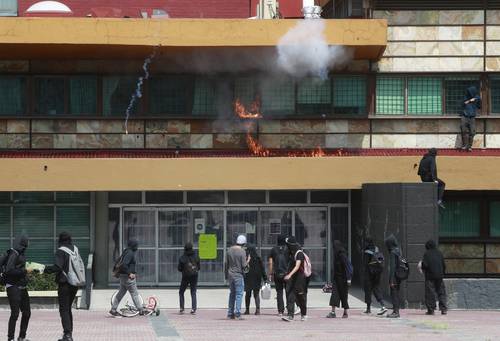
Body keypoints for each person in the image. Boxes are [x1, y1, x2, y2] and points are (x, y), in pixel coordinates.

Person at [45, 232, 80, 341]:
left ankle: (67, 335)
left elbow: (57, 267)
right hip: (74, 283)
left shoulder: (61, 251)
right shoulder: (75, 249)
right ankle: (69, 333)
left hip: (64, 283)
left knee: (64, 310)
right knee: (68, 309)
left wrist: (44, 269)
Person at [4, 235, 31, 341]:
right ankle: (10, 338)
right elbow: (9, 270)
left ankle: (22, 337)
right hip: (13, 287)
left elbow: (19, 269)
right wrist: (24, 271)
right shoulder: (14, 253)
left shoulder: (21, 253)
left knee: (27, 313)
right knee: (15, 313)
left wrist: (26, 274)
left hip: (22, 287)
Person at [108, 238, 144, 317]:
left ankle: (113, 310)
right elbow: (124, 264)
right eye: (136, 245)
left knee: (120, 293)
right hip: (128, 278)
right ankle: (141, 310)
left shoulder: (126, 251)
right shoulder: (130, 253)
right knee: (134, 293)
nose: (137, 247)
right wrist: (130, 273)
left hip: (123, 277)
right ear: (133, 245)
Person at [282, 236, 309, 322]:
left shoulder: (299, 253)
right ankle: (290, 315)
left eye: (288, 245)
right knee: (290, 296)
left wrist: (290, 275)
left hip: (300, 279)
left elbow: (297, 266)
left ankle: (304, 315)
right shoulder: (292, 253)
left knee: (300, 297)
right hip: (292, 279)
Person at [225, 235, 250, 320]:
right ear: (243, 243)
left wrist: (226, 275)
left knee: (232, 294)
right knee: (239, 294)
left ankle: (230, 313)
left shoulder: (229, 250)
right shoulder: (242, 251)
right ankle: (238, 313)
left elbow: (226, 264)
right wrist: (248, 260)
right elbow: (244, 265)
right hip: (238, 274)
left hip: (230, 274)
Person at [420, 239, 447, 315]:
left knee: (430, 293)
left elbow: (425, 265)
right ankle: (443, 309)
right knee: (441, 292)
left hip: (430, 276)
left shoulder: (427, 254)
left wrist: (422, 266)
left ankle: (431, 310)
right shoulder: (439, 253)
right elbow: (444, 265)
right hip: (440, 276)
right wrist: (442, 273)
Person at [362, 238, 387, 316]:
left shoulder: (367, 252)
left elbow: (365, 264)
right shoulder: (377, 249)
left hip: (369, 273)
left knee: (368, 290)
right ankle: (383, 305)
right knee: (376, 289)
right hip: (377, 273)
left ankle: (368, 309)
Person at [327, 240, 351, 318]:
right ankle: (333, 312)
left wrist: (348, 278)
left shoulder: (342, 254)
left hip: (343, 279)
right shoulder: (337, 254)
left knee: (344, 295)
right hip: (337, 279)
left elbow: (347, 266)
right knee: (334, 295)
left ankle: (345, 312)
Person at [268, 235, 289, 316]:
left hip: (277, 274)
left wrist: (270, 273)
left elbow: (270, 263)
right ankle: (290, 310)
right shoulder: (288, 249)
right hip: (287, 274)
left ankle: (280, 311)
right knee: (288, 292)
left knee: (279, 292)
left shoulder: (273, 249)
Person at [178, 242, 200, 315]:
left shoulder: (182, 257)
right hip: (194, 276)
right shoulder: (196, 256)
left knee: (181, 292)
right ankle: (193, 309)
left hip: (185, 276)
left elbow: (179, 268)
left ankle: (182, 308)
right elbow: (199, 267)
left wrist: (185, 270)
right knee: (193, 292)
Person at [244, 245, 266, 315]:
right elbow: (262, 269)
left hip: (248, 277)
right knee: (256, 294)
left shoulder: (247, 259)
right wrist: (265, 278)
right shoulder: (258, 258)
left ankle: (247, 310)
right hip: (257, 278)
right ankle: (257, 310)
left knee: (248, 294)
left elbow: (244, 268)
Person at [385, 234, 402, 319]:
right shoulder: (398, 250)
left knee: (394, 293)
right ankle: (396, 310)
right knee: (397, 293)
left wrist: (391, 280)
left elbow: (392, 267)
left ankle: (396, 311)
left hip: (394, 277)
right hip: (399, 276)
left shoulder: (392, 252)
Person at [461, 86, 481, 151]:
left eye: (470, 92)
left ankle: (469, 146)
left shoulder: (477, 97)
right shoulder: (465, 97)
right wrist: (470, 100)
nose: (469, 93)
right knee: (463, 130)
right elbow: (464, 103)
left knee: (472, 132)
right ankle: (464, 145)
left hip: (472, 117)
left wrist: (475, 99)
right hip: (464, 116)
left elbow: (479, 103)